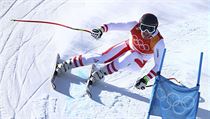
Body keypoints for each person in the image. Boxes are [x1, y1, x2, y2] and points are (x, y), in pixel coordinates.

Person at [55, 13, 165, 90]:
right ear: (139, 25)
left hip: (137, 62)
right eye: (144, 27)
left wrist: (145, 79)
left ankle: (102, 72)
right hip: (129, 46)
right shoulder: (134, 26)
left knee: (131, 55)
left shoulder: (158, 42)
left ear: (155, 29)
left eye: (150, 29)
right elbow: (115, 25)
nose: (146, 32)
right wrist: (101, 29)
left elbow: (158, 66)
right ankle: (69, 63)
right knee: (102, 57)